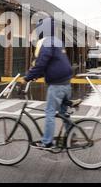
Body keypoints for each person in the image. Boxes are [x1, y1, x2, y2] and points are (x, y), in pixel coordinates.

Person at [22, 17, 73, 149]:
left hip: (57, 85)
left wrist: (27, 77)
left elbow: (41, 64)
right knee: (63, 113)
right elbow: (52, 63)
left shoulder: (46, 43)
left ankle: (47, 142)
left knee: (50, 112)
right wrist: (37, 75)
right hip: (66, 83)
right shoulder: (57, 41)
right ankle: (72, 136)